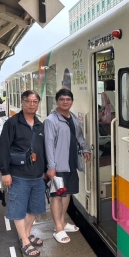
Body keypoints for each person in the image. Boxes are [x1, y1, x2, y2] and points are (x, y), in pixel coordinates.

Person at [0, 90, 46, 257]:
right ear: (22, 102)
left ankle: (26, 233)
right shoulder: (12, 123)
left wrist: (45, 170)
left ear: (38, 104)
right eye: (28, 101)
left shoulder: (40, 124)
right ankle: (25, 241)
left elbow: (43, 150)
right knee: (18, 209)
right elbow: (3, 148)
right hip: (18, 174)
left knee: (34, 208)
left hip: (37, 175)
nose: (32, 104)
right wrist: (5, 172)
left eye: (35, 101)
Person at [44, 89, 91, 244]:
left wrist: (85, 149)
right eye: (62, 99)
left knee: (68, 193)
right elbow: (49, 145)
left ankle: (63, 222)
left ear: (72, 101)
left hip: (71, 163)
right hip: (58, 166)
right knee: (57, 195)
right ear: (57, 101)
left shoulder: (73, 117)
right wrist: (51, 167)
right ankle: (58, 228)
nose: (65, 102)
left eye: (68, 99)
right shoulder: (51, 120)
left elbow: (79, 136)